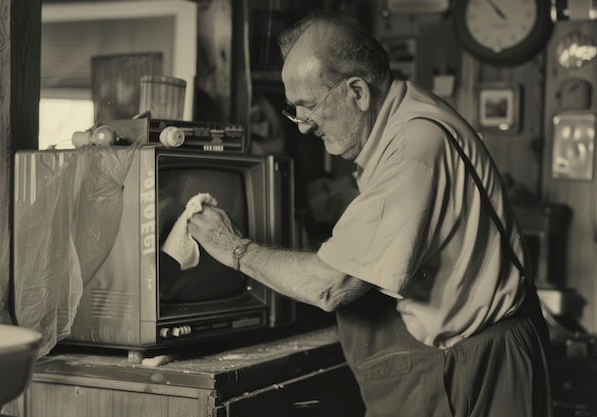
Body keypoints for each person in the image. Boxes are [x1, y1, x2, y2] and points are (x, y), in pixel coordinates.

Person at [188, 11, 552, 417]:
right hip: (471, 349)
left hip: (475, 365)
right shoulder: (404, 113)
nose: (303, 126)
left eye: (308, 106)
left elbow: (331, 286)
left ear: (358, 91)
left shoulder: (413, 149)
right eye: (294, 110)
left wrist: (234, 249)